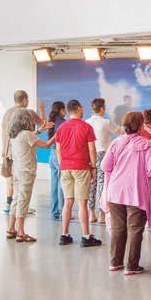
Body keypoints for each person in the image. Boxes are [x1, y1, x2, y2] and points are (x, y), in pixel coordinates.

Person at [101, 110, 151, 276]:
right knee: (135, 229)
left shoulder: (116, 142)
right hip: (136, 193)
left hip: (115, 192)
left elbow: (105, 166)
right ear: (141, 126)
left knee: (118, 228)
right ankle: (132, 265)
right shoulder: (146, 145)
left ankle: (115, 262)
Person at [54, 99, 101, 248]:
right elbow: (92, 149)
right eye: (82, 107)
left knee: (68, 202)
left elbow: (58, 150)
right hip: (81, 167)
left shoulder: (61, 128)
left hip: (65, 167)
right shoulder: (86, 127)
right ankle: (86, 237)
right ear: (78, 108)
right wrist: (93, 167)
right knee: (82, 203)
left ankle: (65, 235)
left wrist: (62, 165)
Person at [7, 108, 55, 243]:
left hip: (16, 171)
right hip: (26, 171)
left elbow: (29, 137)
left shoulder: (15, 135)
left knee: (16, 199)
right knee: (24, 201)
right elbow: (46, 145)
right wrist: (57, 135)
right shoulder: (27, 134)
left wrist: (40, 130)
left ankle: (11, 229)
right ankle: (21, 232)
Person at [1, 90, 45, 215]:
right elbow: (43, 123)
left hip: (9, 152)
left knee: (12, 181)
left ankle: (9, 206)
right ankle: (22, 208)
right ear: (25, 100)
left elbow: (4, 133)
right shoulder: (28, 112)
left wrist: (4, 151)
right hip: (23, 152)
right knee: (23, 184)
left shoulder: (7, 113)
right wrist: (41, 109)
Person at [87, 97, 117, 224]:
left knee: (91, 183)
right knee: (102, 183)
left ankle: (90, 214)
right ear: (102, 109)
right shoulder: (106, 122)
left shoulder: (87, 122)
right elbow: (120, 130)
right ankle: (101, 215)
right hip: (103, 154)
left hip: (89, 154)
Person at [47, 101, 67, 220]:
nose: (66, 112)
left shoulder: (52, 121)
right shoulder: (63, 123)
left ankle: (55, 212)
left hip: (52, 153)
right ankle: (62, 211)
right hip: (59, 153)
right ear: (61, 110)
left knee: (54, 184)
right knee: (62, 183)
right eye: (65, 109)